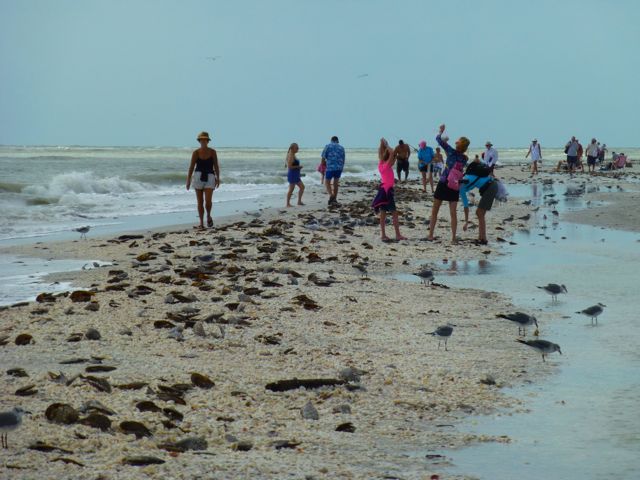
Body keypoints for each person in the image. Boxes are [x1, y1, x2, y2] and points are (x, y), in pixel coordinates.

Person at [427, 124, 470, 243]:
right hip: (455, 185)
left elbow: (438, 139)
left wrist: (441, 131)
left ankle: (430, 235)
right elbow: (454, 160)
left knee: (435, 210)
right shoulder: (465, 159)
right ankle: (453, 238)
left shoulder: (450, 151)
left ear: (458, 144)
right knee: (453, 214)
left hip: (444, 182)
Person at [372, 138, 406, 241]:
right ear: (389, 159)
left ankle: (383, 235)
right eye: (393, 159)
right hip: (387, 191)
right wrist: (386, 145)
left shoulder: (381, 164)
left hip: (383, 190)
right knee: (394, 213)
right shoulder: (387, 166)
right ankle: (398, 235)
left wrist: (382, 145)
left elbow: (383, 154)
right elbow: (391, 152)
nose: (394, 161)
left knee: (383, 213)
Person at [186, 131, 220, 229]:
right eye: (202, 140)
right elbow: (191, 167)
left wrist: (218, 178)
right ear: (199, 141)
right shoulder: (196, 153)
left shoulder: (213, 152)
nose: (203, 141)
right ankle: (201, 223)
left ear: (208, 141)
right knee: (200, 202)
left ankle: (208, 215)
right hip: (198, 177)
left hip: (210, 176)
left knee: (208, 201)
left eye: (205, 140)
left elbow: (216, 166)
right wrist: (188, 180)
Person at [460, 167, 499, 245]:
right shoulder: (465, 178)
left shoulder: (461, 188)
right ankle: (481, 237)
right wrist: (466, 222)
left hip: (490, 187)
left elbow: (466, 206)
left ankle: (483, 238)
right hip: (491, 184)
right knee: (480, 213)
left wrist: (466, 222)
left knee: (479, 213)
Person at [321, 136, 346, 205]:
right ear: (337, 141)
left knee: (327, 182)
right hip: (339, 168)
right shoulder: (341, 147)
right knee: (336, 183)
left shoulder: (328, 146)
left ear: (331, 140)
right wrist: (341, 167)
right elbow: (343, 159)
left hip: (330, 167)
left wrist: (322, 165)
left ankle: (331, 195)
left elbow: (323, 158)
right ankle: (334, 199)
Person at [285, 143, 305, 207]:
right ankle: (288, 204)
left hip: (296, 174)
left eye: (298, 147)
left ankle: (299, 201)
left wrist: (298, 167)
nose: (298, 149)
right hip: (292, 174)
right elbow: (289, 166)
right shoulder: (291, 155)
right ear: (292, 148)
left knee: (302, 187)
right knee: (291, 189)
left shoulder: (293, 154)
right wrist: (298, 167)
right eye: (296, 148)